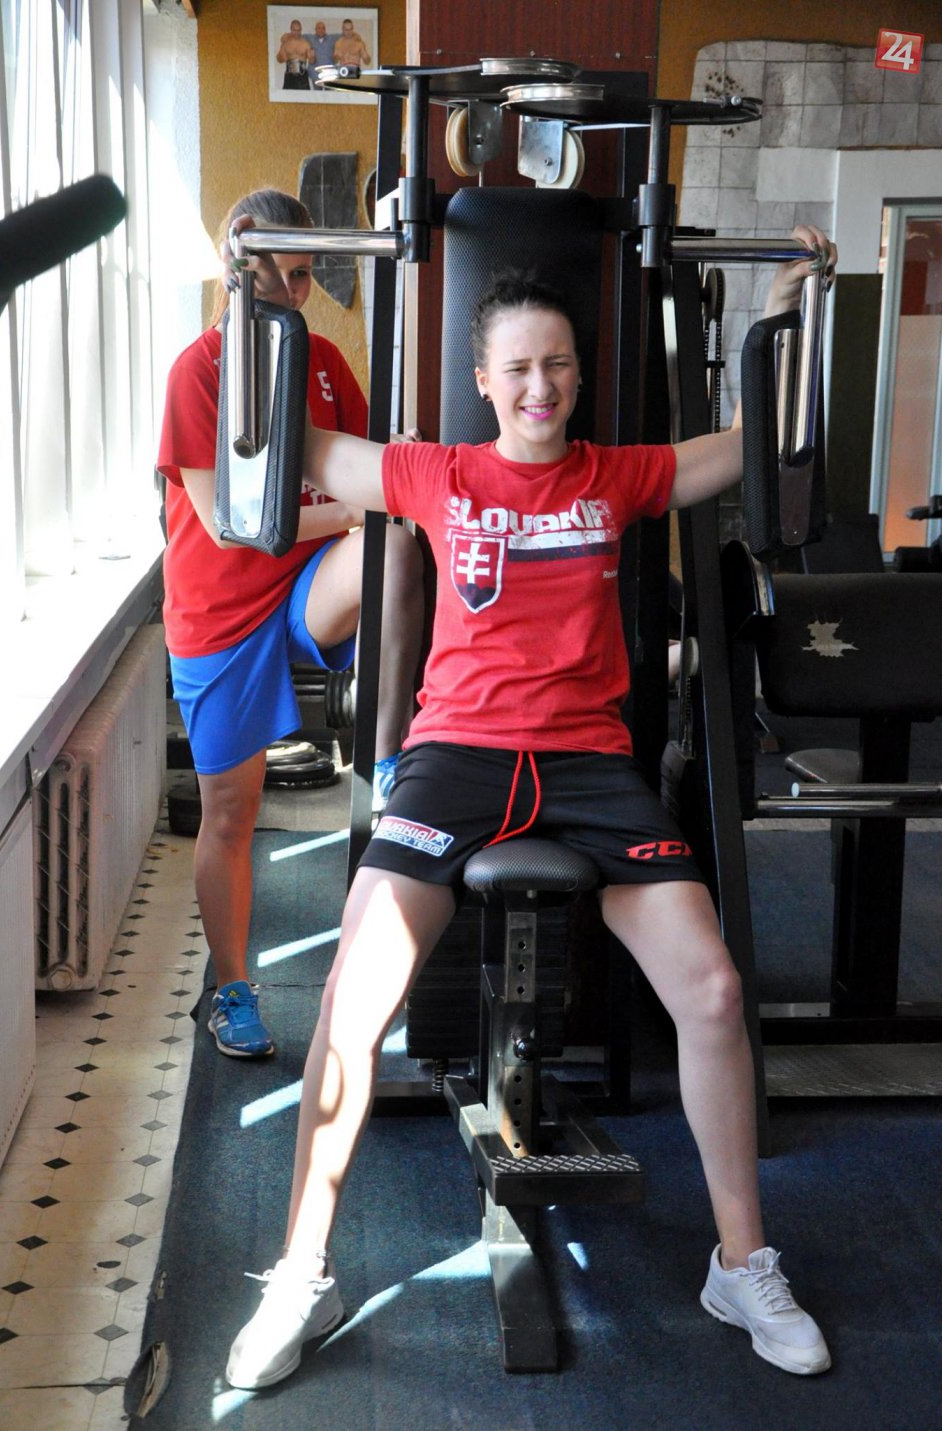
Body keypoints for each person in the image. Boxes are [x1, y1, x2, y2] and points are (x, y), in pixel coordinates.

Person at [223, 225, 838, 1389]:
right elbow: (289, 443)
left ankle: (740, 1263)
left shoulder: (616, 475)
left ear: (576, 372)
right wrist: (255, 311)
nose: (539, 387)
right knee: (353, 999)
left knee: (711, 991)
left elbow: (756, 441)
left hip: (588, 765)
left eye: (555, 364)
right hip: (453, 758)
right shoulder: (435, 475)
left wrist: (789, 308)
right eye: (516, 368)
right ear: (482, 378)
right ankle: (302, 1272)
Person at [157, 187, 423, 1060]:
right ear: (238, 266)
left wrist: (416, 478)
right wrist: (353, 511)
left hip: (304, 584)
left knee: (395, 546)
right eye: (284, 275)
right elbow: (228, 521)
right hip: (219, 608)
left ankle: (390, 758)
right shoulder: (199, 372)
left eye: (308, 276)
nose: (298, 293)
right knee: (232, 813)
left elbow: (373, 476)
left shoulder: (323, 363)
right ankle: (231, 989)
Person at [277, 20, 315, 90]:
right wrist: (282, 46)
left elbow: (312, 61)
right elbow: (279, 60)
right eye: (294, 30)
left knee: (304, 96)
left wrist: (312, 57)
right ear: (291, 30)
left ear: (301, 30)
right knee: (288, 96)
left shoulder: (306, 44)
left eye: (299, 30)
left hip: (302, 77)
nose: (297, 33)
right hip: (289, 76)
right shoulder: (286, 43)